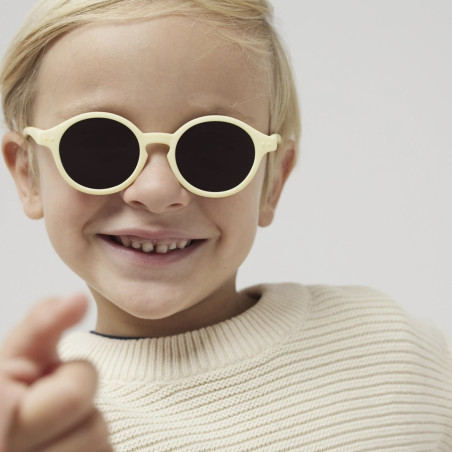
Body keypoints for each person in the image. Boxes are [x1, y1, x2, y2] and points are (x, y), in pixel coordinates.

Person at [0, 0, 451, 451]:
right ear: (28, 174)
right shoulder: (41, 423)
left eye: (213, 148)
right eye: (99, 144)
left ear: (273, 181)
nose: (157, 190)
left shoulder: (393, 346)